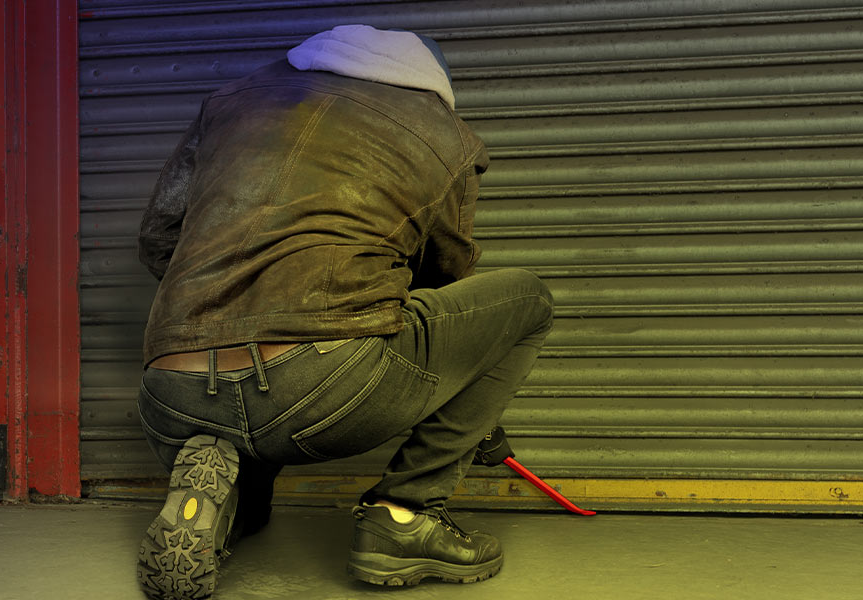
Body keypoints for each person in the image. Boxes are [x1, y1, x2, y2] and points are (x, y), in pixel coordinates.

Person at [132, 24, 553, 600]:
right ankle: (404, 516)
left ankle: (232, 500)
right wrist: (467, 402)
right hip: (321, 395)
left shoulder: (233, 102)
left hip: (170, 396)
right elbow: (444, 282)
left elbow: (160, 238)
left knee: (242, 416)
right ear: (433, 84)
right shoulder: (444, 136)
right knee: (526, 301)